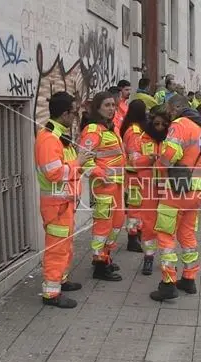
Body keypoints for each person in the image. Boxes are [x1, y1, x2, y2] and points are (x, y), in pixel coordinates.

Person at [151, 94, 201, 301]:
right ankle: (189, 278)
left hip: (175, 189)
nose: (169, 115)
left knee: (165, 234)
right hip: (196, 190)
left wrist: (159, 164)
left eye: (170, 110)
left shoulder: (180, 124)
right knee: (187, 235)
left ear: (177, 107)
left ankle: (168, 284)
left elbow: (169, 155)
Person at [35, 91, 92, 308]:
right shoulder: (49, 138)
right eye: (74, 113)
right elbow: (54, 173)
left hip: (64, 204)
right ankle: (51, 294)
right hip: (56, 206)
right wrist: (78, 161)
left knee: (65, 246)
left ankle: (61, 280)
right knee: (57, 249)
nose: (75, 118)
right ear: (65, 113)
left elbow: (68, 169)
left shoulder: (59, 137)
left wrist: (83, 163)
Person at [80, 92, 126, 281]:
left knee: (116, 223)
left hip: (117, 185)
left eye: (113, 105)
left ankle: (105, 257)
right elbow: (84, 161)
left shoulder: (111, 128)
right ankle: (99, 264)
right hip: (103, 187)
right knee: (103, 226)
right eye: (107, 105)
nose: (111, 109)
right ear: (98, 108)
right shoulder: (93, 130)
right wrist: (101, 174)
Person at [127, 105, 170, 275]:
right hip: (149, 188)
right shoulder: (141, 139)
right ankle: (149, 257)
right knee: (149, 225)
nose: (159, 127)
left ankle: (167, 261)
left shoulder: (172, 139)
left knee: (167, 225)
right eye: (156, 124)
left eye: (163, 124)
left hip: (167, 188)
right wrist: (148, 159)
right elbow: (134, 161)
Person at [121, 99, 148, 253]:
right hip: (134, 175)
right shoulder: (135, 132)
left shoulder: (131, 128)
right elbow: (134, 156)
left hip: (135, 175)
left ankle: (136, 233)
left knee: (137, 207)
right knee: (135, 208)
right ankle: (133, 237)